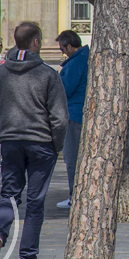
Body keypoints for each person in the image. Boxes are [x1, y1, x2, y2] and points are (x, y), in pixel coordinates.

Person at [0, 21, 69, 259]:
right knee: (35, 202)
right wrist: (57, 144)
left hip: (10, 142)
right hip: (41, 144)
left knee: (9, 195)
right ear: (36, 42)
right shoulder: (48, 74)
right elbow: (60, 118)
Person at [55, 29, 89, 210]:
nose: (62, 52)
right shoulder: (85, 57)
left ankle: (74, 197)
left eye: (62, 48)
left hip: (74, 114)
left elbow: (64, 90)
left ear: (69, 46)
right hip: (80, 113)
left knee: (72, 158)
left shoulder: (75, 63)